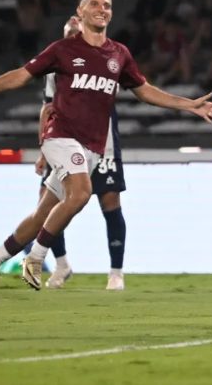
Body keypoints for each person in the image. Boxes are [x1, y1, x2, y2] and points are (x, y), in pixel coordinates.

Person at [0, 0, 212, 297]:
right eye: (94, 3)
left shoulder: (119, 54)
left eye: (107, 4)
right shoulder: (63, 50)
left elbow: (145, 91)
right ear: (80, 13)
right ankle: (36, 259)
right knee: (82, 193)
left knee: (41, 216)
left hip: (91, 148)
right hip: (60, 138)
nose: (102, 8)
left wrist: (189, 105)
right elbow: (22, 75)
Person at [33, 15, 130, 290]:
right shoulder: (55, 68)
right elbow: (48, 107)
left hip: (103, 144)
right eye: (68, 35)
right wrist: (42, 151)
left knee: (110, 203)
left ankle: (116, 272)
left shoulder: (107, 60)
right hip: (63, 143)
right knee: (47, 204)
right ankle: (62, 265)